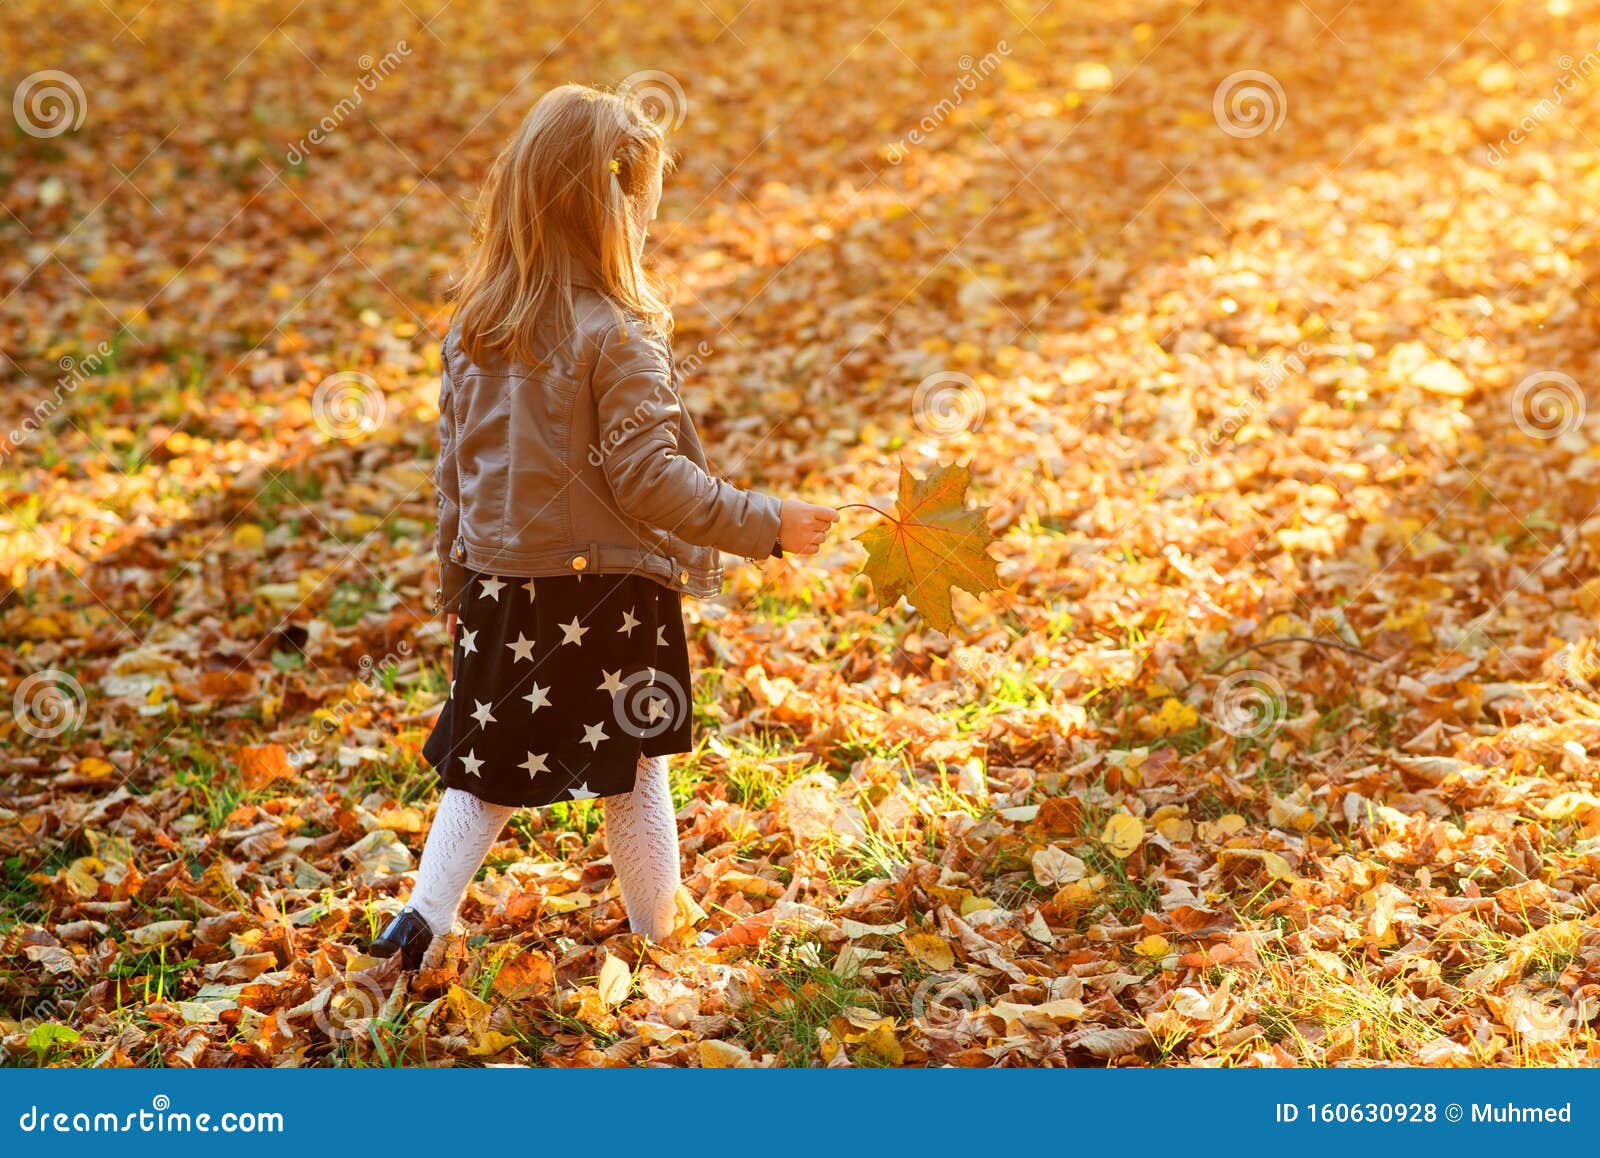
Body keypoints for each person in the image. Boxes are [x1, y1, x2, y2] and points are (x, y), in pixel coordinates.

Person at [369, 83, 838, 968]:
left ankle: (420, 923)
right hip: (610, 592)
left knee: (486, 767)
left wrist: (457, 589)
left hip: (504, 589)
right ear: (614, 207)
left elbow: (453, 482)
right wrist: (768, 523)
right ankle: (658, 933)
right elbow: (651, 478)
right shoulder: (617, 334)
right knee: (636, 766)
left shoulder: (476, 329)